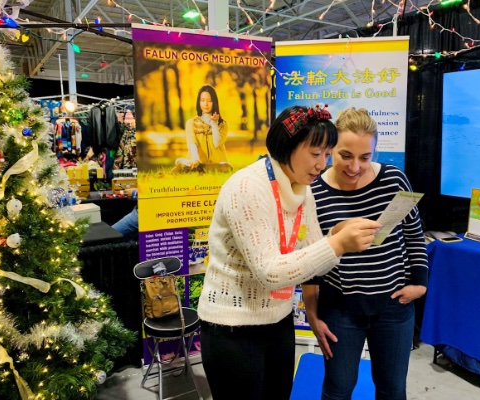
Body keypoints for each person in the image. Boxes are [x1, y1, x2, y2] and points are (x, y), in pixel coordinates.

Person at [197, 105, 382, 400]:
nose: (322, 164)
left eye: (327, 154)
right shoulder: (248, 188)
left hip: (278, 321)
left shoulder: (301, 188)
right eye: (315, 153)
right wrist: (336, 244)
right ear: (288, 145)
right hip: (233, 327)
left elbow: (313, 256)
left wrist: (336, 235)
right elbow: (270, 272)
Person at [303, 107, 428, 400]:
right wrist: (311, 313)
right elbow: (309, 258)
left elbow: (413, 234)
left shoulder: (394, 179)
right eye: (346, 155)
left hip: (394, 307)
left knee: (392, 388)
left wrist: (421, 283)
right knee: (338, 387)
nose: (355, 167)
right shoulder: (314, 192)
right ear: (330, 149)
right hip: (340, 308)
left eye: (365, 157)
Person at [173, 84, 230, 172]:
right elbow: (192, 143)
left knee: (226, 167)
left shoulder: (223, 124)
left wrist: (214, 124)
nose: (205, 104)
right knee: (182, 169)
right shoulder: (192, 123)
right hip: (197, 162)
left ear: (214, 102)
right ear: (199, 102)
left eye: (209, 101)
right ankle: (196, 167)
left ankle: (192, 167)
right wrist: (195, 158)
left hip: (217, 164)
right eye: (202, 100)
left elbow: (216, 143)